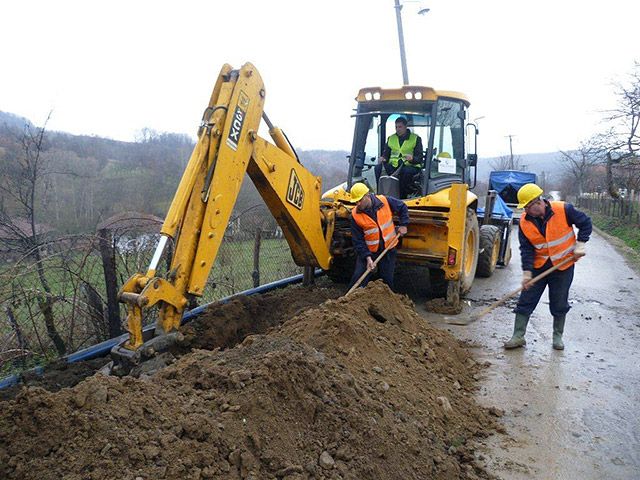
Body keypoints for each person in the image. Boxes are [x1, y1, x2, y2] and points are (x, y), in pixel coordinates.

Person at [504, 183, 592, 350]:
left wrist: (580, 243)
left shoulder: (563, 209)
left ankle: (557, 337)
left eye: (528, 207)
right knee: (526, 300)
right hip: (539, 266)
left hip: (563, 266)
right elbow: (526, 248)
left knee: (559, 303)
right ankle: (518, 336)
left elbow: (586, 223)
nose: (526, 211)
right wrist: (527, 273)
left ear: (538, 202)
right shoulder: (524, 222)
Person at [348, 182, 409, 291]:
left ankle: (387, 304)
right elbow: (358, 241)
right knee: (359, 278)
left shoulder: (385, 201)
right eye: (355, 201)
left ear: (367, 195)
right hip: (369, 252)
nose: (358, 204)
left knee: (387, 280)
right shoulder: (355, 215)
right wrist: (367, 258)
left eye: (360, 200)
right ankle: (351, 303)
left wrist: (404, 224)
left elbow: (403, 207)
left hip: (388, 249)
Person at [375, 117, 424, 198]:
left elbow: (419, 157)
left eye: (400, 127)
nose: (398, 129)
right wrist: (383, 158)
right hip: (394, 165)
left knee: (406, 172)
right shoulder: (391, 138)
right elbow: (386, 154)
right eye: (396, 127)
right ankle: (380, 194)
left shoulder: (416, 139)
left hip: (410, 165)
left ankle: (402, 196)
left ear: (405, 126)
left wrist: (412, 159)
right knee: (378, 168)